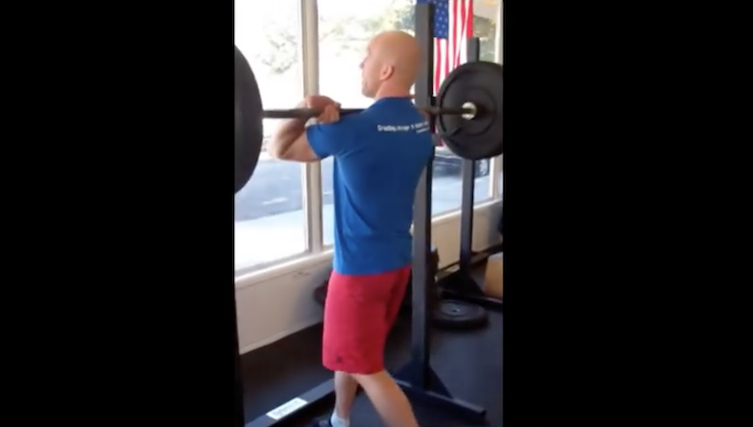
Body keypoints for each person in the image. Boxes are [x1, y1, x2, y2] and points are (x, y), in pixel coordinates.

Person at [266, 30, 433, 427]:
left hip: (358, 272)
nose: (361, 63)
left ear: (387, 69)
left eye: (367, 55)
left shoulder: (351, 130)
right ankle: (340, 419)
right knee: (357, 354)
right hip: (397, 263)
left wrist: (305, 107)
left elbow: (280, 150)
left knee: (368, 370)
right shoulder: (422, 126)